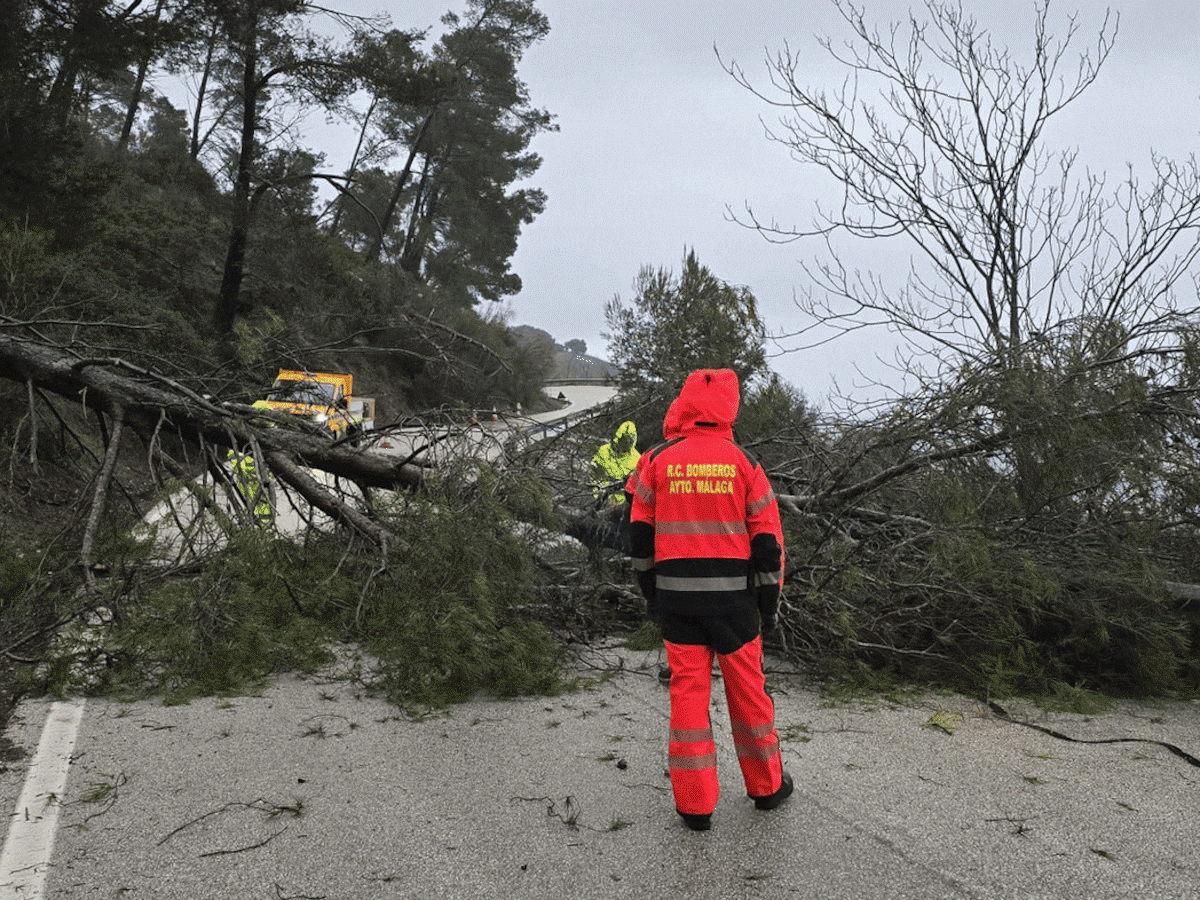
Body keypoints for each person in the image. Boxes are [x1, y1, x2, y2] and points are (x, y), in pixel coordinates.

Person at [627, 368, 790, 832]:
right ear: (729, 406)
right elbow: (767, 546)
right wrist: (769, 603)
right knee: (749, 697)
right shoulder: (744, 463)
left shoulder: (656, 461)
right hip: (735, 607)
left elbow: (638, 538)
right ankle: (767, 788)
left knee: (688, 701)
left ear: (685, 403)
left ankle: (695, 806)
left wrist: (651, 595)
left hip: (679, 605)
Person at [590, 420, 640, 507]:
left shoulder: (637, 459)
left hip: (625, 505)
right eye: (624, 440)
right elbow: (595, 476)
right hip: (601, 502)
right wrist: (601, 498)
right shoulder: (604, 451)